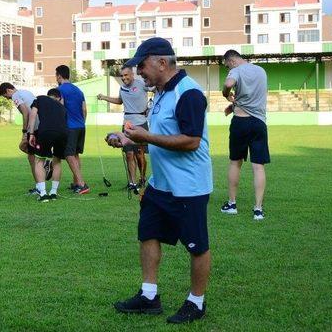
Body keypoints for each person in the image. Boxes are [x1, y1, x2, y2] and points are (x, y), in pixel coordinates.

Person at [106, 37, 213, 324]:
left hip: (188, 187)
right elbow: (159, 135)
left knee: (197, 245)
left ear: (162, 62)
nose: (139, 71)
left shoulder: (188, 93)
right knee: (148, 233)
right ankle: (149, 295)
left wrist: (145, 136)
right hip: (160, 184)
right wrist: (126, 139)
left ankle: (196, 302)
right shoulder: (163, 93)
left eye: (142, 65)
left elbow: (191, 141)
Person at [221, 49, 269, 220]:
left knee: (235, 163)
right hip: (259, 123)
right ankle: (258, 210)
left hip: (241, 122)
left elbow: (228, 84)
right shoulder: (261, 71)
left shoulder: (236, 71)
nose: (228, 68)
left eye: (227, 65)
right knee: (258, 166)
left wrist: (226, 95)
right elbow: (251, 97)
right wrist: (235, 104)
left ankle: (232, 204)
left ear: (231, 61)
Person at [97, 65, 149, 193]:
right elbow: (119, 101)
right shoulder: (122, 88)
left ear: (132, 74)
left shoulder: (142, 83)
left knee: (139, 154)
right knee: (129, 154)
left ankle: (142, 178)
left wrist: (151, 108)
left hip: (141, 122)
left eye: (126, 75)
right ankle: (132, 182)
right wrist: (104, 97)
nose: (124, 78)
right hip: (127, 124)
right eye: (122, 76)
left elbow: (157, 89)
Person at [0, 82, 52, 193]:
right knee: (31, 153)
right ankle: (46, 160)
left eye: (6, 96)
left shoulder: (15, 95)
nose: (8, 99)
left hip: (33, 128)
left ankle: (39, 186)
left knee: (31, 157)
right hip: (43, 125)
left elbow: (25, 112)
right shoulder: (26, 92)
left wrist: (25, 132)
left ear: (9, 90)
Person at [27, 88, 68, 202]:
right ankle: (54, 192)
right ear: (59, 98)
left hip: (46, 132)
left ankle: (43, 194)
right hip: (63, 133)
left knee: (39, 161)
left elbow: (33, 115)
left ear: (48, 95)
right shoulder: (62, 107)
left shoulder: (39, 99)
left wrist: (31, 133)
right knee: (57, 161)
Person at [55, 65, 89, 194]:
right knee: (75, 154)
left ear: (59, 76)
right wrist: (82, 122)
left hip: (70, 127)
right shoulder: (79, 90)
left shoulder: (59, 90)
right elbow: (84, 109)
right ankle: (76, 183)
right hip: (81, 126)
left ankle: (81, 183)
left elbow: (61, 108)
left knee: (68, 154)